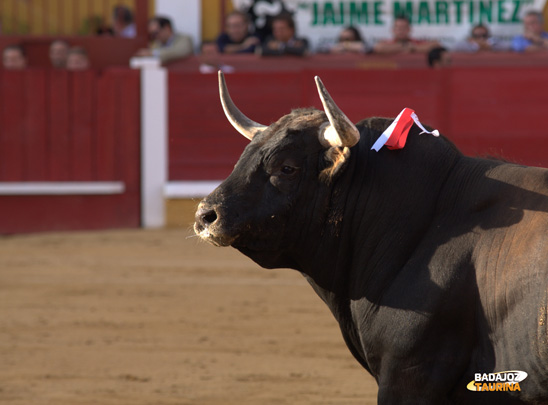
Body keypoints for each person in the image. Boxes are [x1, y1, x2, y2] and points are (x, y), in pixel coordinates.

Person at [373, 15, 439, 54]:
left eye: (404, 28)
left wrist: (414, 48)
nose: (401, 31)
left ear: (409, 29)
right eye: (398, 28)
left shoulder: (415, 42)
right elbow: (378, 48)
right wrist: (403, 47)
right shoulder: (388, 43)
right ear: (393, 30)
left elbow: (436, 45)